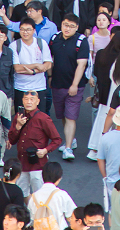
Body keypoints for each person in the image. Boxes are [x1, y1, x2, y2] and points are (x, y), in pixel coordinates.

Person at [48, 15, 89, 160]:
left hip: (75, 86)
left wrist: (75, 85)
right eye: (65, 25)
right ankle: (70, 139)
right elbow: (50, 59)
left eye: (71, 26)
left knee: (71, 116)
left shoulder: (81, 41)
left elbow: (82, 64)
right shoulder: (54, 39)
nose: (67, 28)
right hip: (57, 84)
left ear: (77, 27)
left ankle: (68, 148)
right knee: (63, 115)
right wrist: (50, 77)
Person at [7, 90, 62, 196]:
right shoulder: (19, 116)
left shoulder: (43, 118)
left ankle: (38, 213)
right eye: (26, 99)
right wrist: (18, 126)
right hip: (22, 163)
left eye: (32, 99)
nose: (29, 102)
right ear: (22, 101)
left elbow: (57, 139)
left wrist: (45, 150)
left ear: (38, 101)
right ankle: (28, 211)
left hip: (37, 165)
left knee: (40, 194)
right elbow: (12, 140)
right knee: (22, 193)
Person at [10, 19, 53, 113]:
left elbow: (48, 64)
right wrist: (37, 65)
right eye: (22, 29)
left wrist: (33, 71)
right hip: (21, 87)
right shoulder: (14, 45)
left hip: (39, 87)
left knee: (39, 118)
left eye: (28, 29)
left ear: (34, 30)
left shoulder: (41, 43)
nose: (25, 32)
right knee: (22, 117)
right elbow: (17, 68)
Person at [27, 160, 76, 230]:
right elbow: (72, 216)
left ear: (42, 176)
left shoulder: (34, 197)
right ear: (59, 178)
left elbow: (31, 219)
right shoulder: (61, 195)